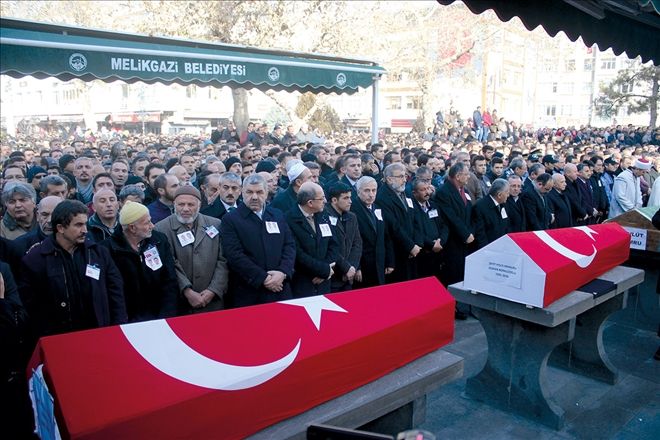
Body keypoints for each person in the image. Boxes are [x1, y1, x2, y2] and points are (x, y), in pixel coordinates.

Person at [18, 200, 127, 338]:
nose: (85, 230)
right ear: (61, 228)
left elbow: (116, 293)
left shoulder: (98, 253)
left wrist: (117, 328)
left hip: (100, 335)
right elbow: (31, 306)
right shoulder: (35, 260)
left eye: (85, 224)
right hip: (59, 340)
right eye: (78, 225)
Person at [220, 174, 296, 307]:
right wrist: (264, 279)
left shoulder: (277, 215)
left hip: (281, 287)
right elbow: (234, 255)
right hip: (249, 292)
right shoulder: (231, 220)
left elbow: (289, 245)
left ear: (266, 193)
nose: (254, 197)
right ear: (242, 192)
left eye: (259, 192)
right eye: (249, 192)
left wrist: (283, 273)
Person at [154, 185, 228, 313]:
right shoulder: (161, 229)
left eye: (191, 204)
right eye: (181, 204)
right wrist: (187, 291)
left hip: (213, 302)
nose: (186, 209)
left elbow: (223, 260)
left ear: (199, 206)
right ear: (174, 205)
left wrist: (214, 289)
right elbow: (169, 263)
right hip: (181, 303)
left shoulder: (215, 224)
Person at [101, 201, 178, 322]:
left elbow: (169, 279)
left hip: (161, 316)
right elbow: (111, 290)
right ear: (132, 228)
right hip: (128, 319)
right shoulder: (107, 249)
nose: (152, 226)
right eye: (147, 223)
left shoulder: (159, 240)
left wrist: (167, 315)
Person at [286, 182, 339, 298]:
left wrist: (325, 271)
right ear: (310, 203)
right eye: (321, 198)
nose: (325, 201)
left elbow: (333, 244)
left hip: (325, 280)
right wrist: (322, 270)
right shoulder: (289, 220)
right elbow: (298, 254)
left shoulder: (323, 215)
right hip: (304, 282)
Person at [376, 163, 420, 282]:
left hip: (412, 249)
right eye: (400, 176)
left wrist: (415, 243)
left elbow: (415, 218)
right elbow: (393, 226)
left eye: (405, 176)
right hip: (398, 251)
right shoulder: (382, 197)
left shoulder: (406, 192)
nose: (404, 180)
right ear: (389, 179)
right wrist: (410, 245)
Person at [433, 162, 473, 287]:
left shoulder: (463, 190)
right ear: (458, 176)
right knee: (452, 275)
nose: (469, 177)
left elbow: (469, 212)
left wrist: (471, 232)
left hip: (465, 240)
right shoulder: (444, 192)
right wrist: (465, 234)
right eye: (466, 174)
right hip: (453, 240)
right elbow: (451, 217)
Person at [350, 176, 393, 288]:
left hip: (379, 262)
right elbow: (351, 242)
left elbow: (386, 237)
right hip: (363, 264)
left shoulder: (377, 208)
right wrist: (357, 267)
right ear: (358, 191)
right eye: (367, 190)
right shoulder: (352, 210)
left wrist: (390, 261)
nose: (371, 194)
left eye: (374, 190)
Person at [324, 182, 362, 292]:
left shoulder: (352, 217)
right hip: (333, 277)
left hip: (349, 276)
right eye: (345, 198)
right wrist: (346, 268)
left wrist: (352, 268)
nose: (350, 201)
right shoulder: (324, 217)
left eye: (350, 197)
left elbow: (357, 244)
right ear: (334, 200)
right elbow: (330, 247)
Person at [411, 178, 448, 279]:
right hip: (423, 255)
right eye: (423, 190)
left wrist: (441, 241)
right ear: (414, 193)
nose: (427, 192)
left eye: (428, 188)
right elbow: (415, 230)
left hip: (439, 251)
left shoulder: (434, 205)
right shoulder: (411, 209)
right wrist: (432, 244)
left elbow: (443, 225)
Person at [471, 178, 510, 249]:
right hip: (487, 249)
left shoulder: (503, 204)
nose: (508, 195)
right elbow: (480, 234)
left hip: (501, 247)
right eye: (507, 192)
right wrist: (487, 250)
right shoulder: (480, 207)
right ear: (499, 195)